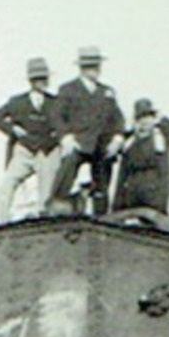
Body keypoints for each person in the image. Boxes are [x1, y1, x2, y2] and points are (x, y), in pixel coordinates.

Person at [49, 46, 125, 216]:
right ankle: (55, 212)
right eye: (90, 66)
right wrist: (66, 138)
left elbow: (118, 118)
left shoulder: (107, 92)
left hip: (101, 145)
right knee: (65, 176)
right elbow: (57, 116)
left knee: (102, 184)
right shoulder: (68, 89)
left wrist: (117, 138)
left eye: (97, 65)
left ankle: (102, 217)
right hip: (78, 142)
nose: (95, 70)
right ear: (82, 68)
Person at [0, 57, 61, 223]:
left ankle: (44, 221)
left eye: (44, 78)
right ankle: (0, 221)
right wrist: (13, 129)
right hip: (24, 151)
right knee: (8, 184)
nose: (42, 81)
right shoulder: (17, 102)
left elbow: (69, 123)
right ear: (31, 81)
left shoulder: (55, 102)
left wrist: (57, 137)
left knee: (46, 192)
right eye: (38, 78)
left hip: (46, 152)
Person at [113, 98, 169, 214]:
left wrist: (161, 119)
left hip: (154, 193)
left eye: (148, 117)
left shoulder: (160, 137)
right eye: (141, 118)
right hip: (131, 193)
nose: (145, 122)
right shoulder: (129, 142)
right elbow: (122, 174)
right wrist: (117, 204)